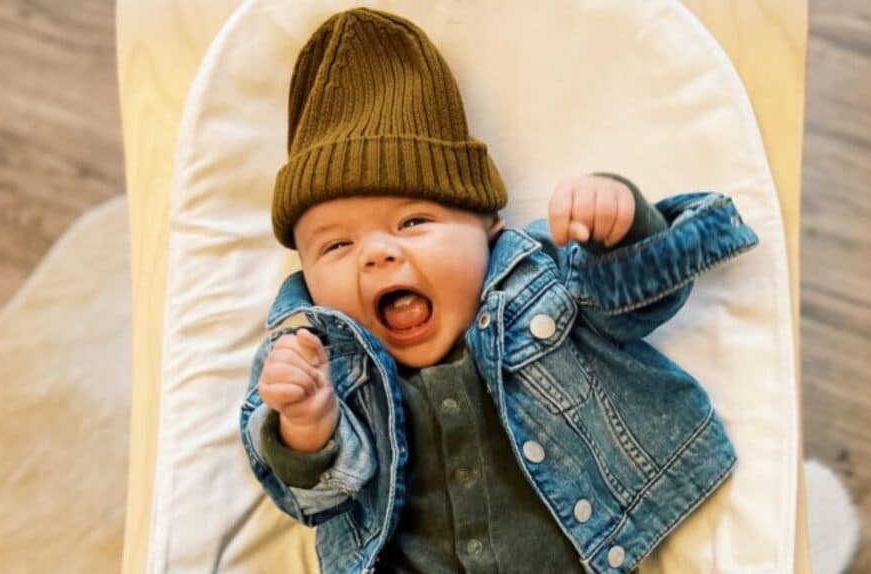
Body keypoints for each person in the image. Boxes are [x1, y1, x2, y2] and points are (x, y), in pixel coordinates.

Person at [239, 7, 760, 574]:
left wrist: (621, 222)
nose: (377, 253)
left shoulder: (536, 281)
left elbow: (639, 302)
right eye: (336, 246)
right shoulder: (315, 359)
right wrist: (307, 426)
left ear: (489, 230)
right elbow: (314, 499)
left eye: (414, 222)